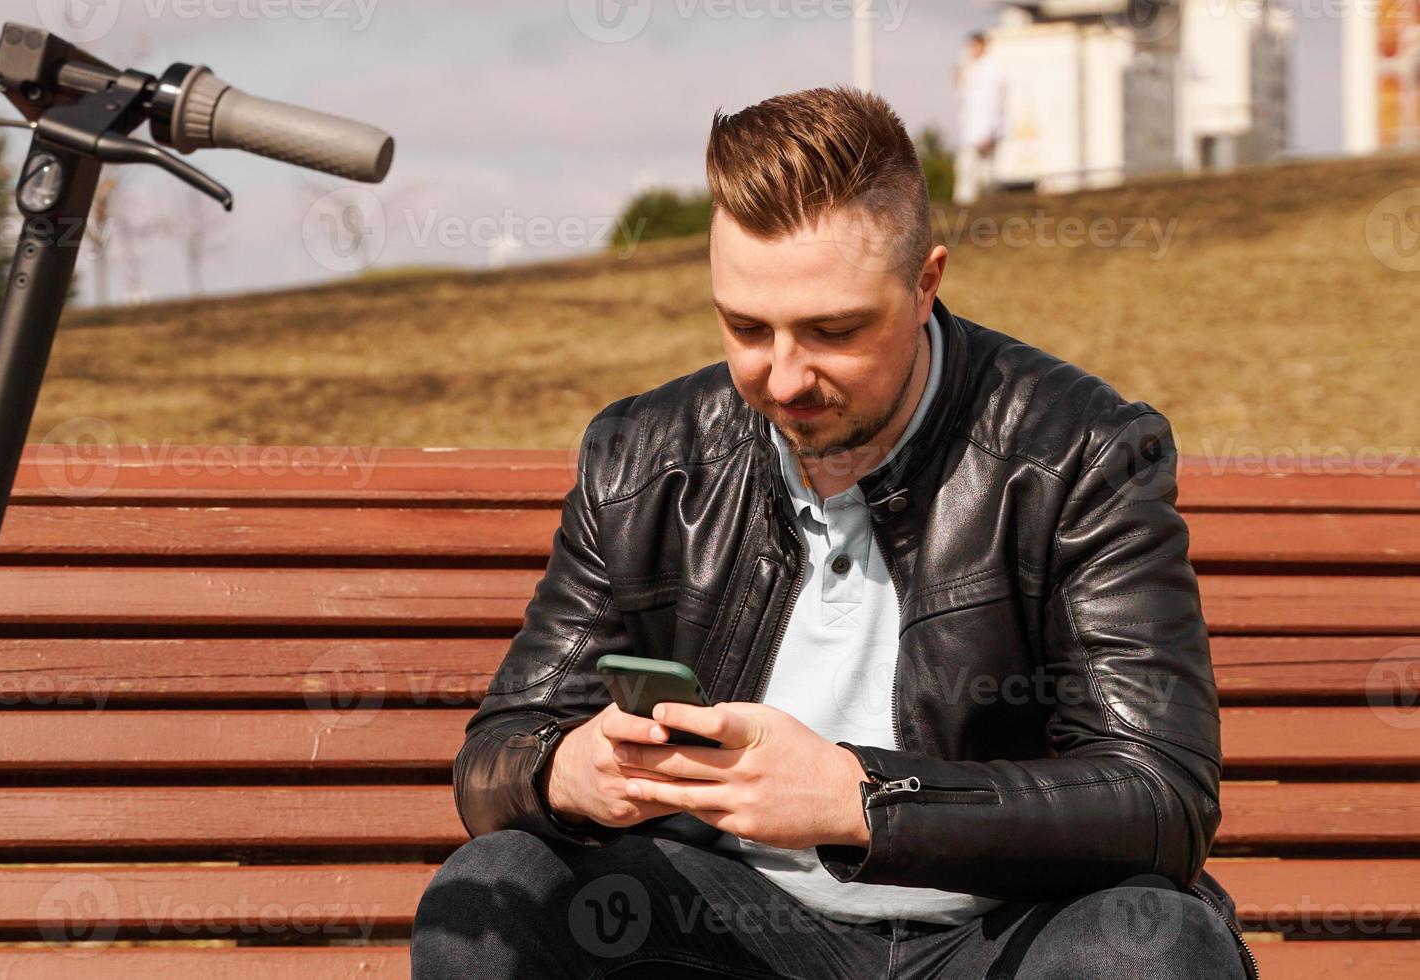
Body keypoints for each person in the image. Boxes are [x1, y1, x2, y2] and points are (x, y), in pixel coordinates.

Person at [411, 86, 1253, 979]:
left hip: (1008, 930)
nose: (783, 378)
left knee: (1152, 949)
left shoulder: (1081, 450)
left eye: (834, 330)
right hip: (732, 931)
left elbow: (1158, 795)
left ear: (926, 283)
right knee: (499, 893)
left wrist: (863, 799)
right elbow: (499, 750)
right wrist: (565, 774)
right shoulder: (640, 458)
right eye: (746, 327)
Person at [956, 31, 1006, 204]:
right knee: (966, 168)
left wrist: (989, 131)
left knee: (988, 171)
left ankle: (991, 203)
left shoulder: (992, 70)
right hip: (971, 128)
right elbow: (965, 99)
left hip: (985, 129)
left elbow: (994, 102)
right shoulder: (971, 68)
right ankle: (965, 203)